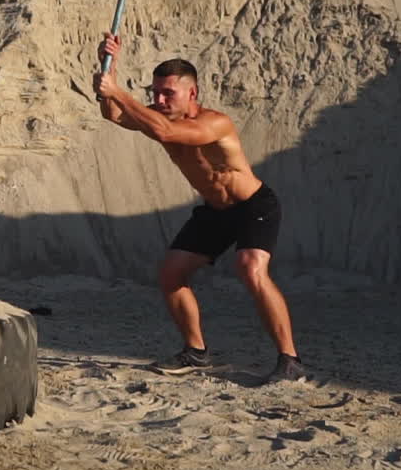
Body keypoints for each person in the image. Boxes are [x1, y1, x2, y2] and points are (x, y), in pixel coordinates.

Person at [91, 32, 304, 383]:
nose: (159, 100)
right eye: (155, 93)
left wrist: (117, 91)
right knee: (170, 274)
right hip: (215, 211)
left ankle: (290, 360)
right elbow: (113, 114)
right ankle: (196, 352)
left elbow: (165, 133)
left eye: (167, 93)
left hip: (253, 205)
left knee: (250, 268)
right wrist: (107, 66)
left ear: (192, 93)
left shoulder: (214, 122)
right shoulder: (158, 116)